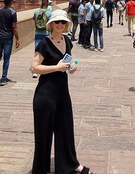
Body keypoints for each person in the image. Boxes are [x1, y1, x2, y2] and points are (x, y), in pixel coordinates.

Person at [30, 9, 93, 174]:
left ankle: (70, 165)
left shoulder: (67, 40)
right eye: (57, 22)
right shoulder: (44, 43)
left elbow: (68, 60)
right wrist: (56, 68)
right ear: (51, 24)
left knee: (65, 129)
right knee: (44, 134)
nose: (60, 25)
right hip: (46, 94)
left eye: (63, 22)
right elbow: (34, 67)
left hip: (62, 92)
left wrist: (71, 67)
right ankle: (40, 169)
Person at [0, 0, 20, 86]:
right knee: (6, 58)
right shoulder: (12, 13)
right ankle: (3, 78)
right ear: (11, 2)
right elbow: (14, 27)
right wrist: (17, 39)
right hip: (8, 38)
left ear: (4, 2)